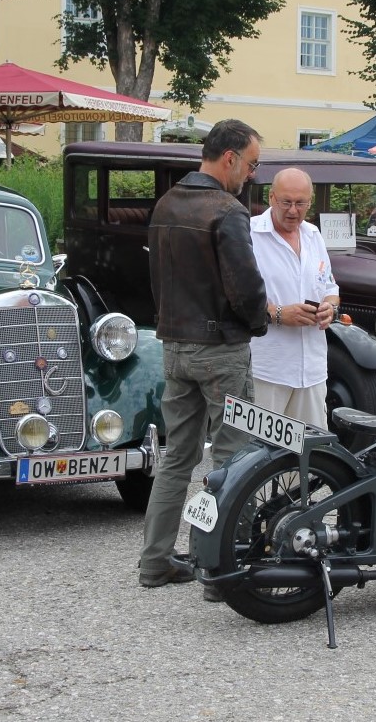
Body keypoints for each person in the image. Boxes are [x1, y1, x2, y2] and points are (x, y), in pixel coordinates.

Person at [138, 119, 270, 591]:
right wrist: (258, 322)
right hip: (220, 350)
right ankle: (224, 569)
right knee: (236, 460)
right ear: (230, 157)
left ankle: (154, 561)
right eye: (251, 164)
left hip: (174, 346)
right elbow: (246, 285)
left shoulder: (167, 204)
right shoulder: (227, 211)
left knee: (177, 457)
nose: (252, 174)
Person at [249, 168, 339, 429]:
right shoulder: (249, 234)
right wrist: (278, 314)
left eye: (301, 203)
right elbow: (232, 295)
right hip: (267, 371)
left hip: (311, 369)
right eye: (286, 202)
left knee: (310, 455)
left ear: (310, 202)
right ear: (271, 198)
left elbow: (329, 286)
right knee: (261, 455)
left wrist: (329, 308)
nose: (293, 211)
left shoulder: (313, 236)